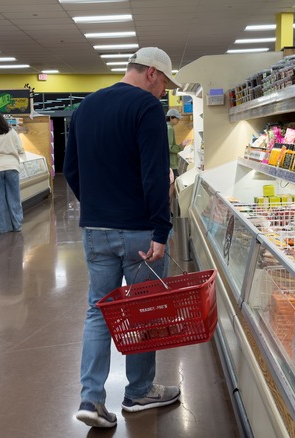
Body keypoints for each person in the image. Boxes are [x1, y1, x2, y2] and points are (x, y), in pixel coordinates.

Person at [64, 47, 181, 429]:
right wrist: (161, 229)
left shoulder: (85, 107)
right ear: (151, 73)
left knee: (98, 310)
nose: (164, 91)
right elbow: (154, 173)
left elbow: (70, 169)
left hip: (95, 231)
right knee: (143, 308)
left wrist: (96, 209)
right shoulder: (146, 108)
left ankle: (91, 399)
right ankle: (139, 392)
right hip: (140, 233)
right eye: (164, 82)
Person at [166, 108, 188, 178]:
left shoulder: (166, 126)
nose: (178, 120)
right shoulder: (170, 128)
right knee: (175, 182)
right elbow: (170, 147)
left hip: (168, 161)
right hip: (171, 163)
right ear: (171, 118)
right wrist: (181, 146)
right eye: (177, 118)